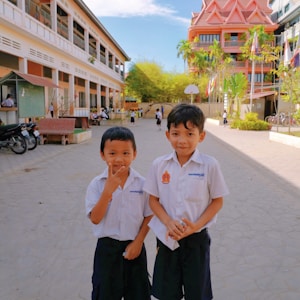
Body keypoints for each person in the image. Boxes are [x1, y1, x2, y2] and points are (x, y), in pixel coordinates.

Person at [143, 103, 229, 300]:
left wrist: (196, 225)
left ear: (201, 136)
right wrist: (168, 222)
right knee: (165, 293)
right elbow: (153, 200)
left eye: (189, 134)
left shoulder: (210, 165)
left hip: (196, 240)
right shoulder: (159, 165)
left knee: (197, 293)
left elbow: (217, 201)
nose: (182, 140)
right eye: (176, 133)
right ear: (167, 135)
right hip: (167, 238)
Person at [85, 126, 152, 300]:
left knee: (138, 293)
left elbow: (148, 214)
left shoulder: (142, 183)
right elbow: (95, 219)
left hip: (135, 248)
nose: (119, 159)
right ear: (102, 155)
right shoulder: (97, 184)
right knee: (104, 294)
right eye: (112, 153)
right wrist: (107, 192)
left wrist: (138, 243)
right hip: (107, 250)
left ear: (134, 154)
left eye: (125, 153)